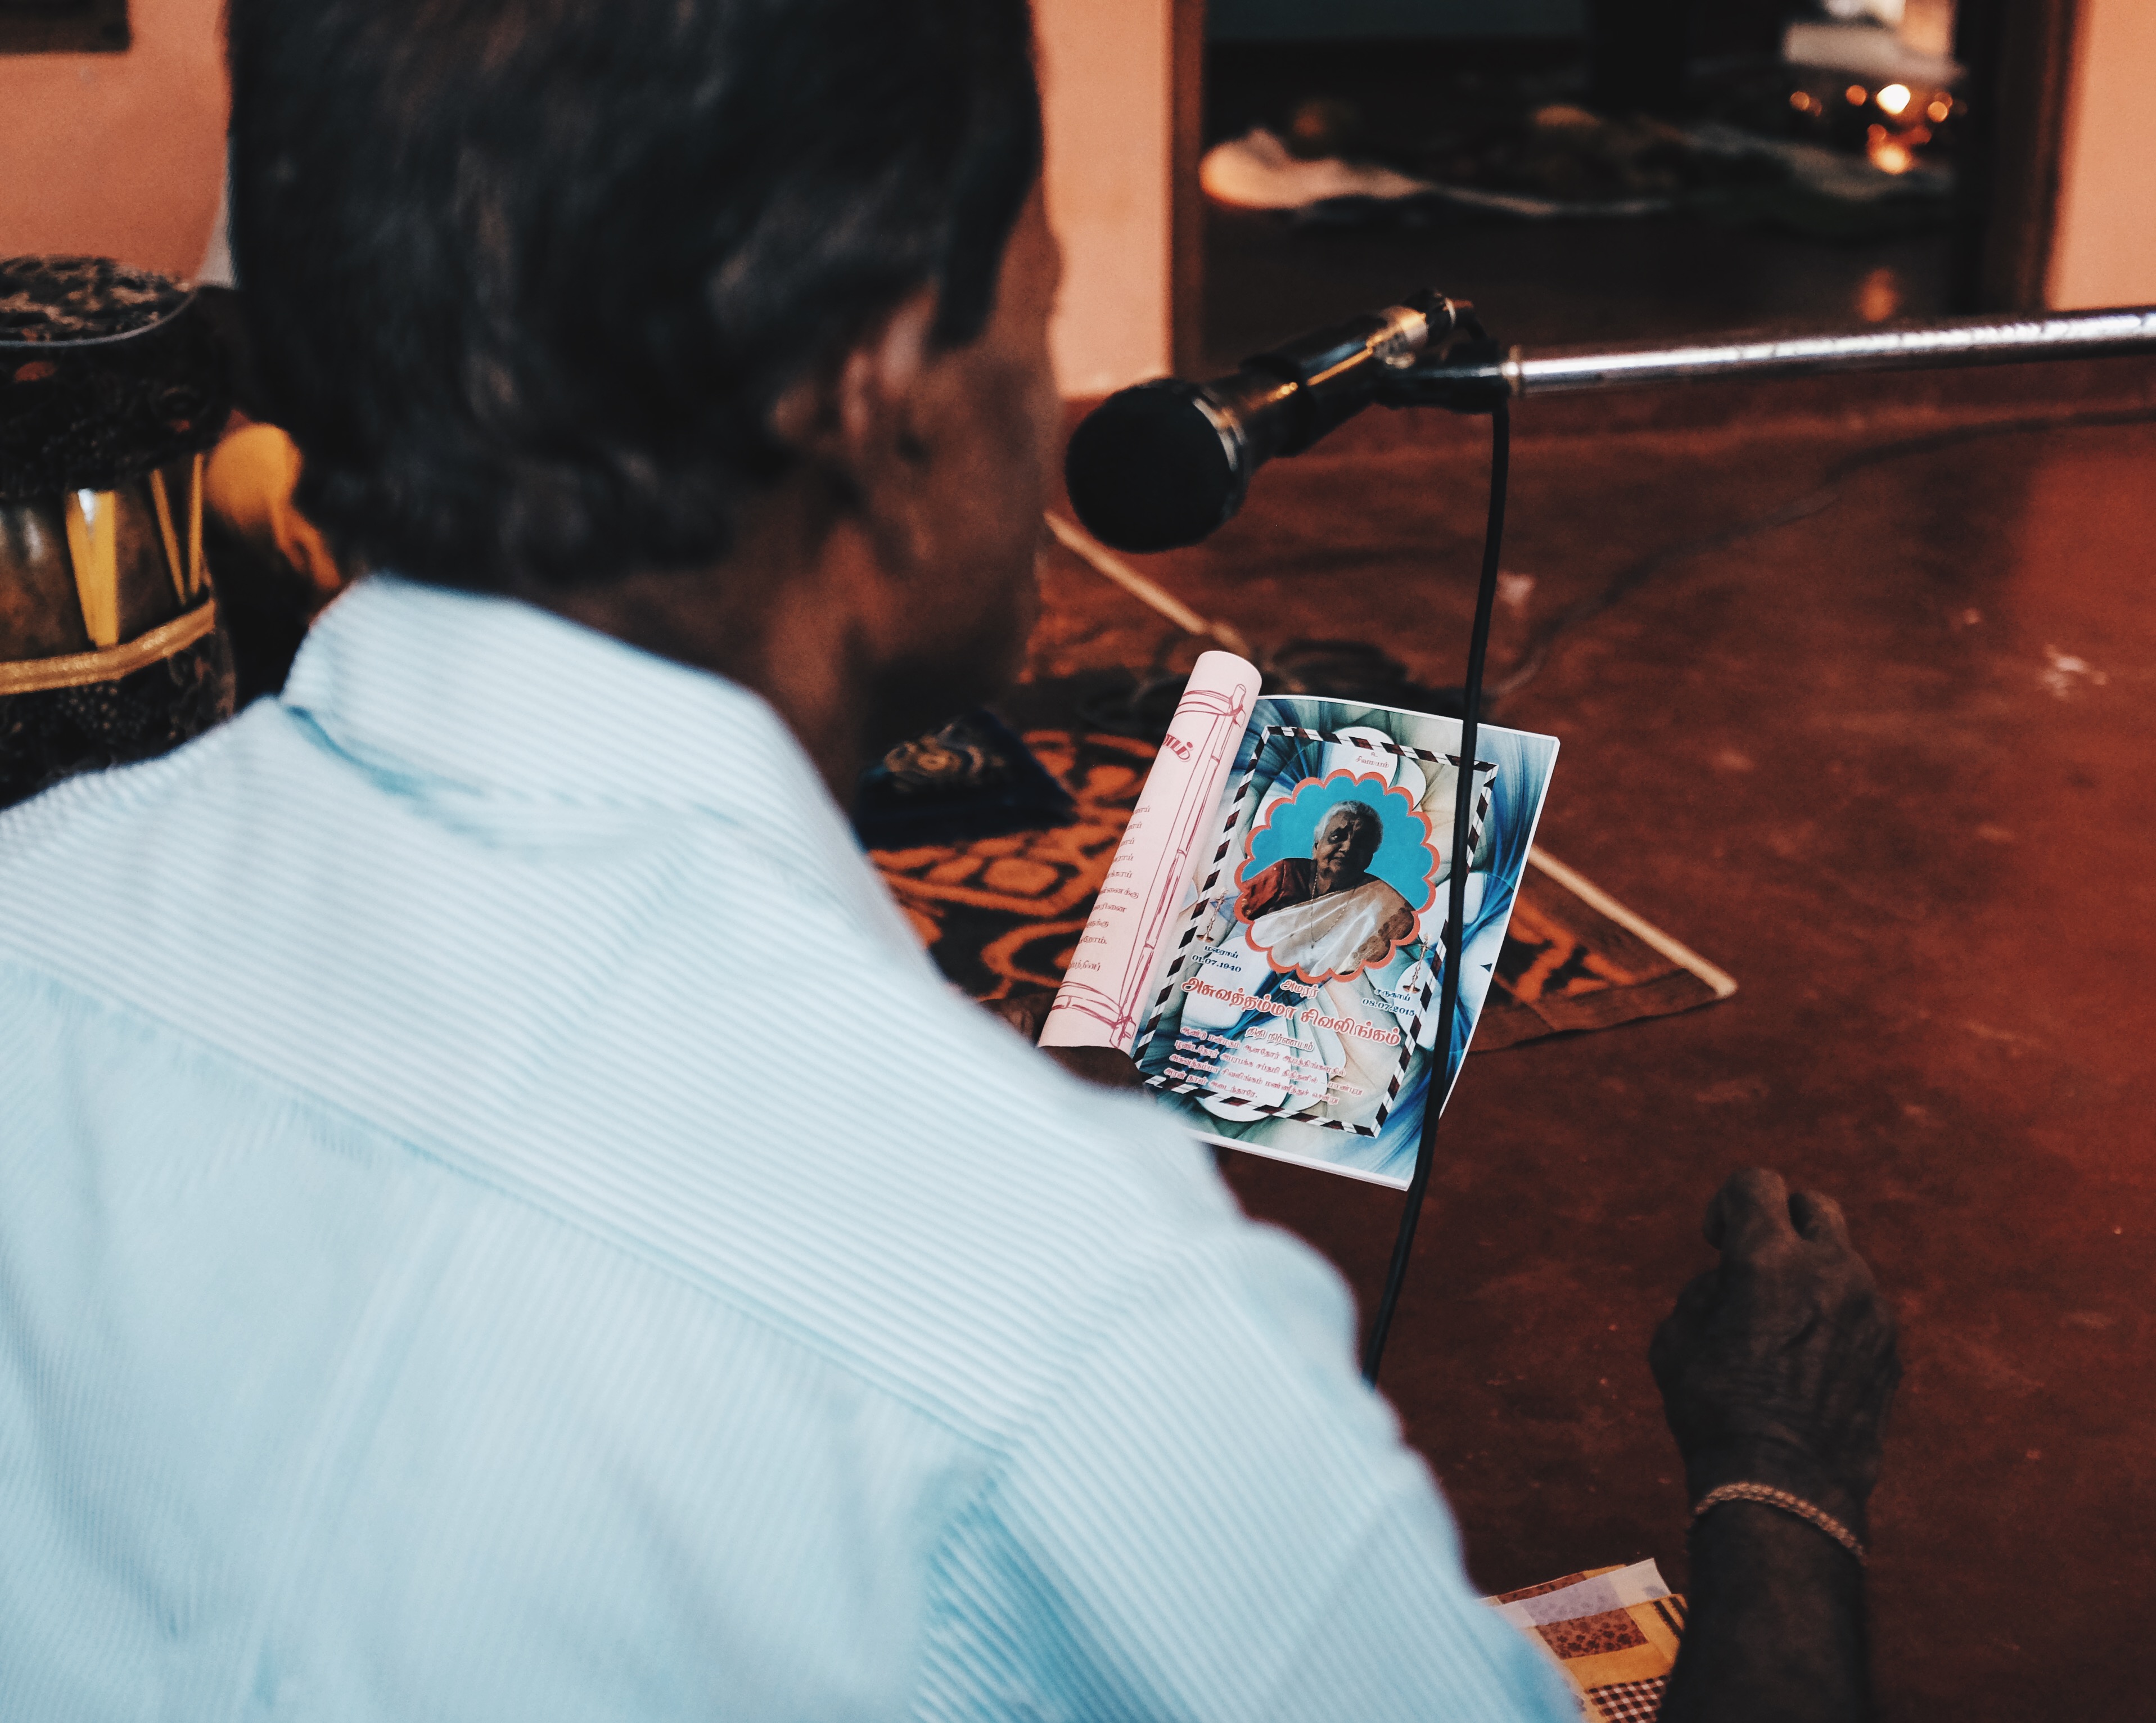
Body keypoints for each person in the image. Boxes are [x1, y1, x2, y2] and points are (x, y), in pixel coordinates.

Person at [0, 2, 1898, 1717]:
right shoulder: (1077, 1319)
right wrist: (1777, 1478)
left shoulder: (36, 904)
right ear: (882, 382)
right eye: (1039, 310)